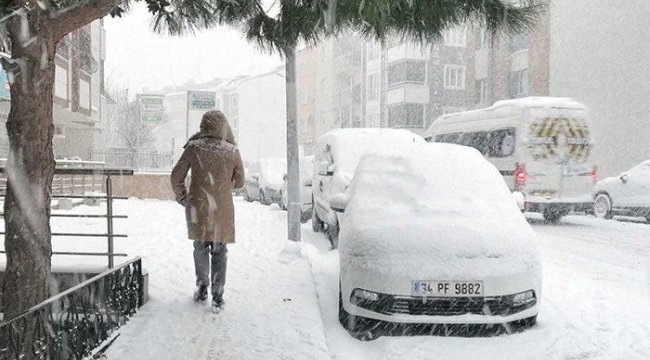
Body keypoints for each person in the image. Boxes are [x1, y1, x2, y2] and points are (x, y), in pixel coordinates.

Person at [170, 110, 245, 314]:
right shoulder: (231, 151)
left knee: (200, 247)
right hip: (222, 210)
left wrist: (183, 197)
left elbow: (176, 176)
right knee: (220, 251)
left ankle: (202, 286)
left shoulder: (194, 147)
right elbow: (240, 182)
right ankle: (218, 295)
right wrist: (224, 185)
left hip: (199, 208)